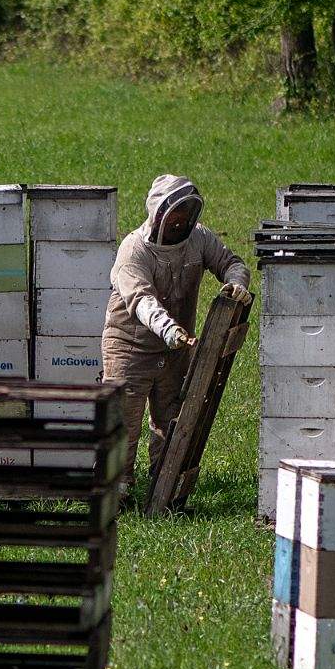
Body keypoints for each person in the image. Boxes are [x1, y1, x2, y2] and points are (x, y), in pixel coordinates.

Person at [101, 173, 251, 485]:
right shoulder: (133, 250)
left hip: (175, 350)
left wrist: (236, 284)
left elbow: (233, 264)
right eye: (175, 216)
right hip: (129, 346)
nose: (180, 223)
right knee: (123, 424)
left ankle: (162, 484)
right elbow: (141, 300)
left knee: (169, 421)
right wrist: (171, 330)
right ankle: (119, 490)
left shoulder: (200, 238)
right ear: (158, 215)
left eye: (186, 215)